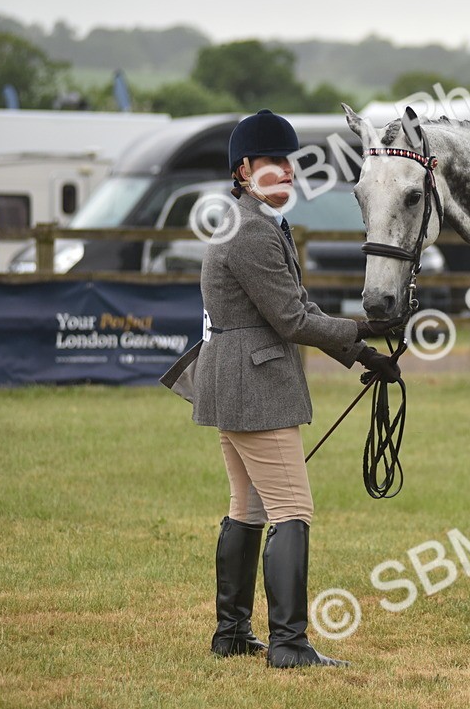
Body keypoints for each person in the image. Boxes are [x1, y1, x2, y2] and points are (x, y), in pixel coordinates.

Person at [190, 109, 396, 668]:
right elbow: (291, 320)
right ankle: (289, 644)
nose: (287, 171)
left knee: (249, 507)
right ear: (243, 171)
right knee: (292, 509)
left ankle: (232, 634)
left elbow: (298, 310)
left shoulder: (253, 222)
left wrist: (360, 352)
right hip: (254, 381)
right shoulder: (252, 230)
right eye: (274, 162)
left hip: (233, 378)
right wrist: (365, 331)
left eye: (290, 161)